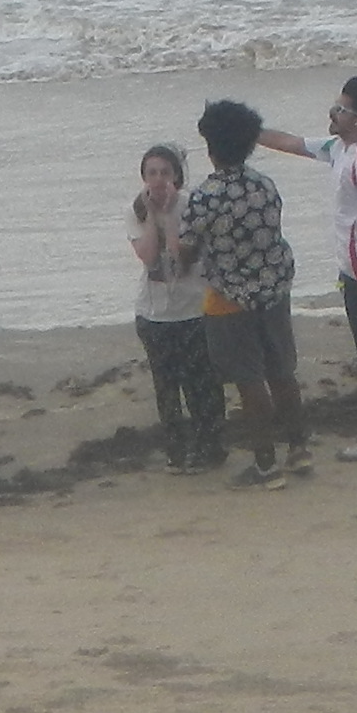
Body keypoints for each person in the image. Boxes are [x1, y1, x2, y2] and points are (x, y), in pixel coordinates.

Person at [257, 75, 357, 457]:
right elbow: (290, 143)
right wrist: (248, 130)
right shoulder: (337, 148)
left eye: (341, 109)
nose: (333, 113)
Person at [179, 97, 306, 486]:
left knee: (249, 380)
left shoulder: (205, 197)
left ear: (212, 146)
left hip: (229, 298)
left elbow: (185, 252)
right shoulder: (264, 186)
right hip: (274, 289)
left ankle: (265, 465)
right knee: (282, 372)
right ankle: (300, 448)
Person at [127, 142, 225, 471]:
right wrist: (153, 214)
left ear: (176, 176)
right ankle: (176, 449)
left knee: (201, 383)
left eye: (164, 173)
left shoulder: (190, 206)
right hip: (154, 313)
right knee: (165, 385)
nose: (157, 180)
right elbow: (149, 257)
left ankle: (210, 445)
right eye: (151, 173)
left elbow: (182, 259)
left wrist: (170, 215)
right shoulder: (136, 209)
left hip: (193, 308)